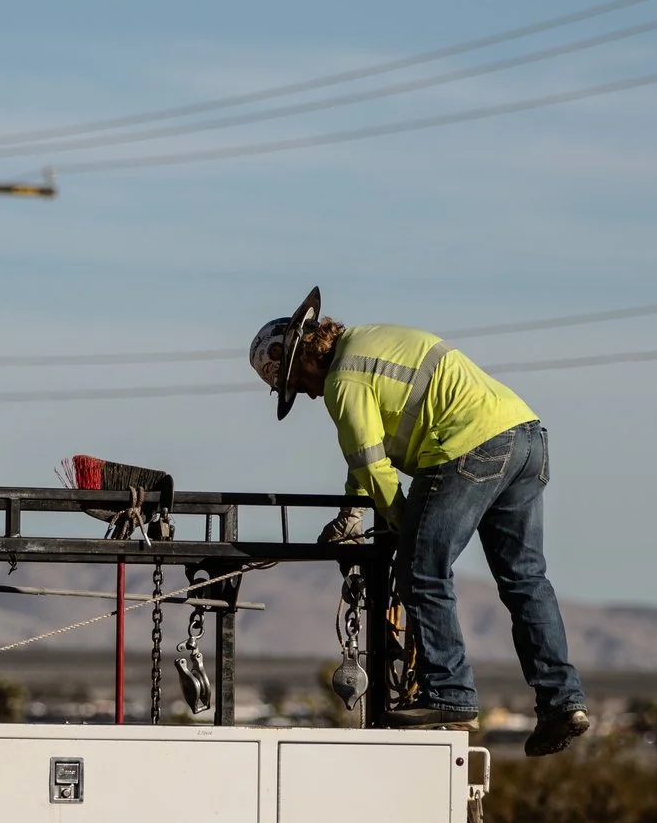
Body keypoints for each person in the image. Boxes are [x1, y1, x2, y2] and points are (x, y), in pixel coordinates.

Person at [248, 288, 590, 756]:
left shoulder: (341, 383)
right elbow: (369, 447)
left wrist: (407, 528)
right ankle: (561, 702)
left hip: (468, 446)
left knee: (421, 571)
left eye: (293, 383)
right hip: (525, 437)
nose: (304, 394)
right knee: (525, 579)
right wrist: (353, 511)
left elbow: (373, 467)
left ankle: (450, 693)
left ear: (301, 360)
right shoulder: (368, 344)